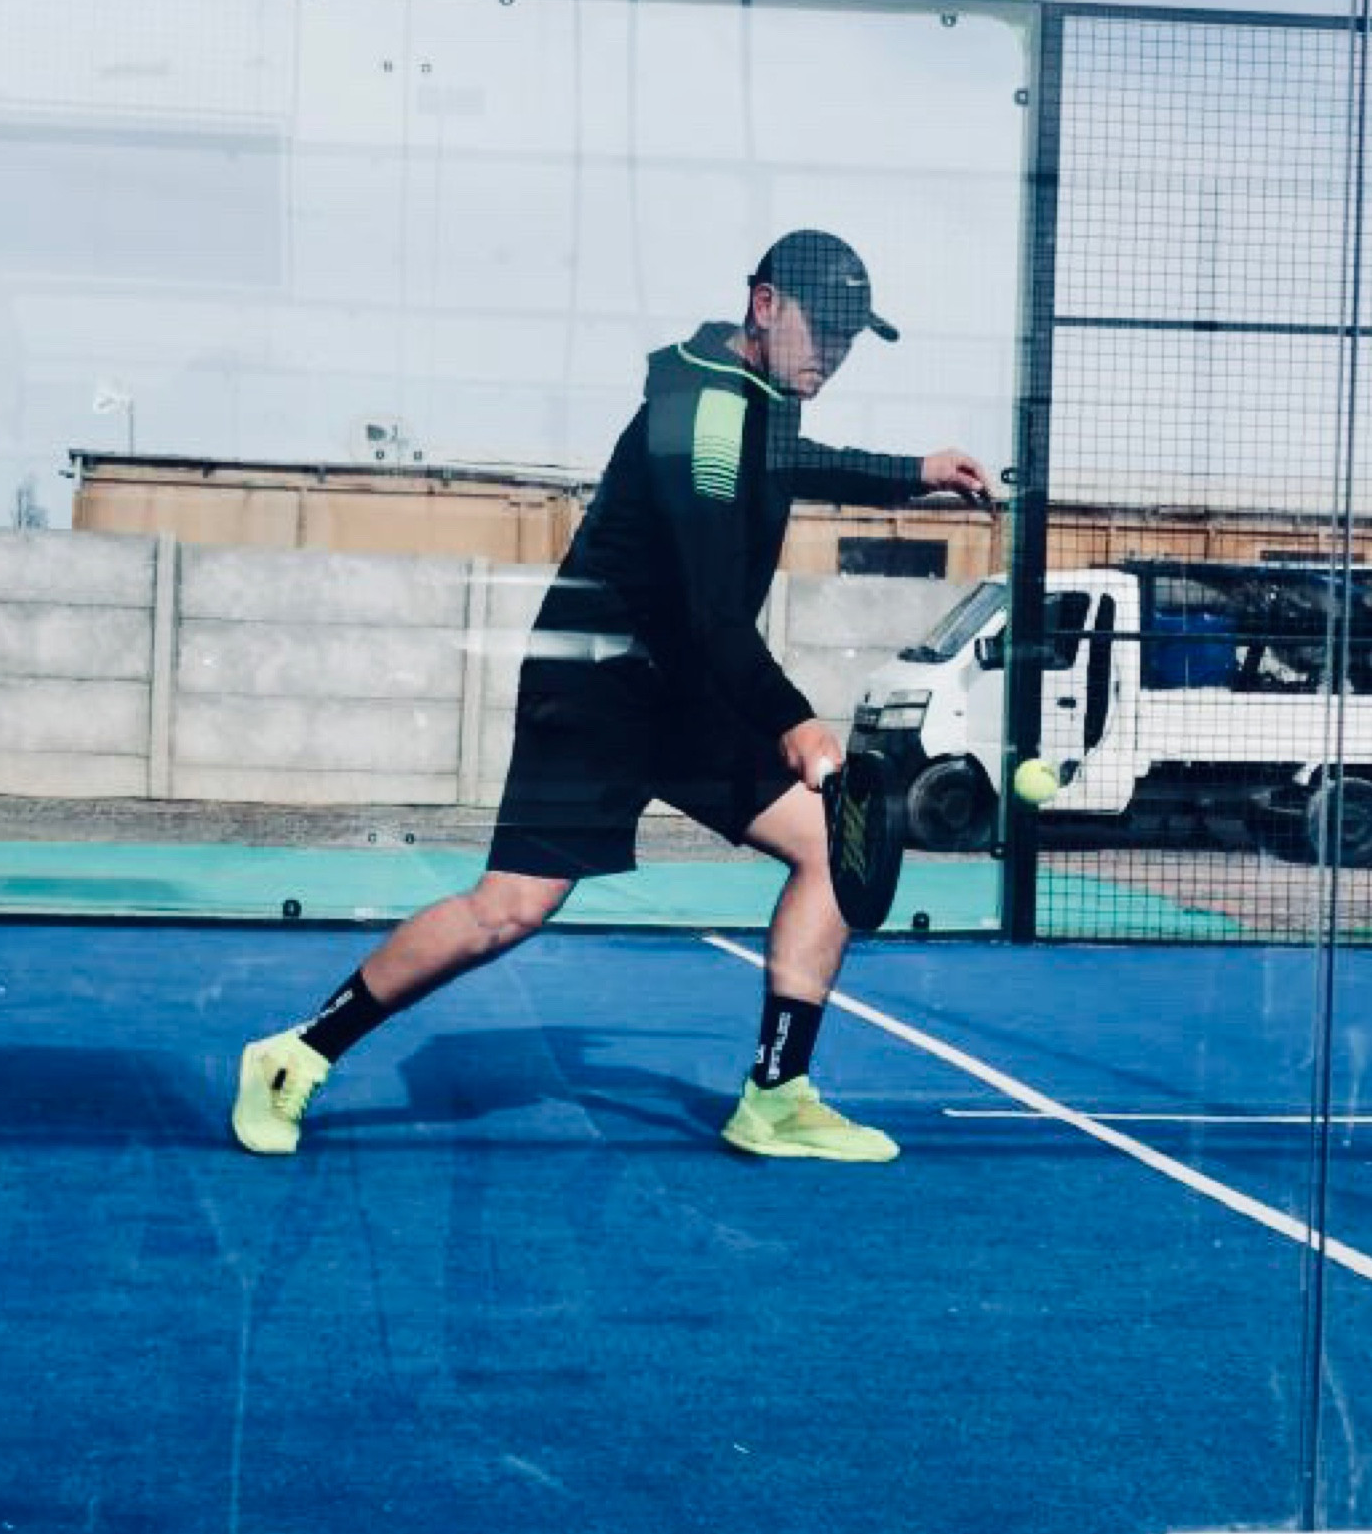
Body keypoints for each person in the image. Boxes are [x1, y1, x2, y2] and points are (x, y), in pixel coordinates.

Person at [231, 229, 992, 1164]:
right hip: (597, 688)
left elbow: (794, 462)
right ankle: (294, 1053)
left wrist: (914, 473)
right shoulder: (703, 412)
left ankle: (776, 1098)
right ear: (764, 305)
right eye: (821, 327)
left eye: (847, 336)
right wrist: (792, 718)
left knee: (832, 850)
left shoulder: (750, 397)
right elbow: (711, 611)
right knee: (508, 908)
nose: (831, 352)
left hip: (682, 687)